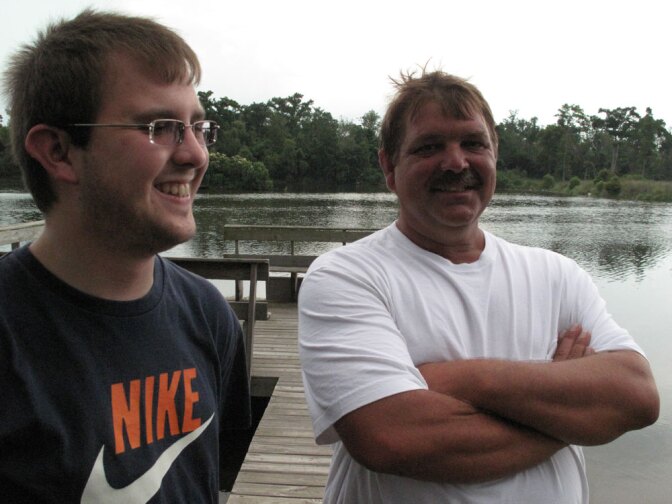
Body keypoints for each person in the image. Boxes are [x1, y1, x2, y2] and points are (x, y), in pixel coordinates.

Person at [298, 69, 660, 503]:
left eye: (473, 143)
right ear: (389, 167)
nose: (456, 162)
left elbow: (636, 396)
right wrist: (572, 414)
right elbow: (391, 436)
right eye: (429, 146)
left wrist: (463, 380)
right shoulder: (348, 275)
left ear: (494, 155)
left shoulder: (556, 275)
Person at [0, 10, 250, 503]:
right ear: (59, 152)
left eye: (199, 128)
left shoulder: (208, 314)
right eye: (160, 126)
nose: (196, 154)